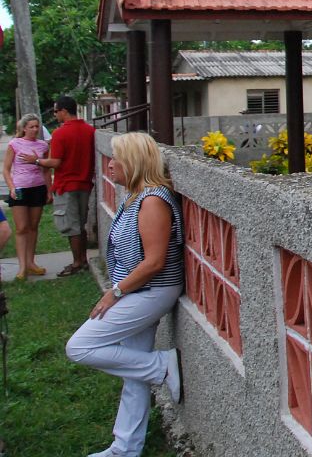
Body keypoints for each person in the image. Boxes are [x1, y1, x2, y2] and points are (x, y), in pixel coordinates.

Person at [66, 131, 184, 457]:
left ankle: (161, 366)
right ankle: (125, 449)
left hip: (152, 291)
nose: (111, 164)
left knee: (80, 346)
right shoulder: (135, 197)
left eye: (116, 158)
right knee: (133, 374)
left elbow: (155, 261)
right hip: (139, 289)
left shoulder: (153, 201)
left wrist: (114, 292)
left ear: (133, 161)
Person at [21, 95, 96, 276]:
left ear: (63, 111)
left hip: (66, 185)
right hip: (85, 184)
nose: (55, 115)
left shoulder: (60, 133)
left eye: (56, 111)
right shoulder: (90, 130)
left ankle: (77, 262)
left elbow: (55, 162)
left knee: (71, 226)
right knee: (81, 223)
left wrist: (36, 160)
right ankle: (83, 259)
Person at [4, 113, 52, 279]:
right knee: (22, 227)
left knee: (33, 226)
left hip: (37, 188)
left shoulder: (43, 146)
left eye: (37, 126)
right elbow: (6, 168)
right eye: (31, 126)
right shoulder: (14, 144)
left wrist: (49, 190)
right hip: (20, 189)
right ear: (24, 128)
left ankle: (31, 263)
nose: (34, 129)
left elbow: (46, 169)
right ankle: (22, 266)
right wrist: (11, 187)